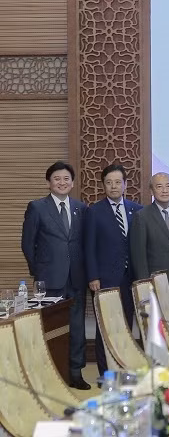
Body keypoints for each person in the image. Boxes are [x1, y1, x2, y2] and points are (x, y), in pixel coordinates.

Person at [20, 161, 90, 390]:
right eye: (57, 178)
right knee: (50, 329)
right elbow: (28, 244)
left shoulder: (81, 208)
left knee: (77, 328)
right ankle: (50, 374)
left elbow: (84, 244)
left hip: (76, 279)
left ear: (73, 182)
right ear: (49, 182)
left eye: (66, 178)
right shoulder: (37, 207)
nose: (62, 182)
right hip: (50, 279)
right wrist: (39, 272)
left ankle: (75, 373)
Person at [84, 163, 142, 377]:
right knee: (105, 328)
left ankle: (123, 368)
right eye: (109, 183)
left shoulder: (137, 210)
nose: (113, 186)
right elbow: (88, 247)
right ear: (103, 186)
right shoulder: (94, 211)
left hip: (130, 279)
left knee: (126, 326)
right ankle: (105, 374)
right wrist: (93, 276)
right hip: (104, 280)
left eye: (118, 182)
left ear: (125, 184)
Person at [129, 172, 169, 318]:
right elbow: (139, 256)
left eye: (168, 186)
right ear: (151, 191)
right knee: (159, 334)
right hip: (156, 286)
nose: (164, 190)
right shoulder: (142, 216)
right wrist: (145, 287)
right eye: (159, 186)